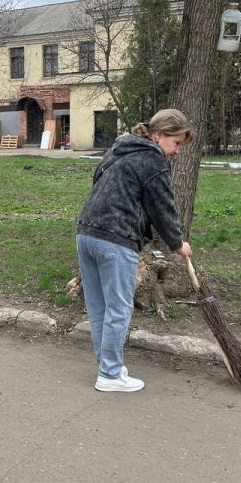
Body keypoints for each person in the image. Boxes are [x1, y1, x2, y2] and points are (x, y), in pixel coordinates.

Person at [75, 109, 193, 393]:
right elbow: (163, 209)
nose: (177, 152)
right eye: (176, 143)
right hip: (116, 239)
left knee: (99, 308)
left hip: (86, 233)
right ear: (158, 135)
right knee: (118, 308)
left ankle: (108, 366)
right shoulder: (152, 159)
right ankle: (110, 375)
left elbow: (98, 182)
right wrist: (177, 243)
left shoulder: (119, 149)